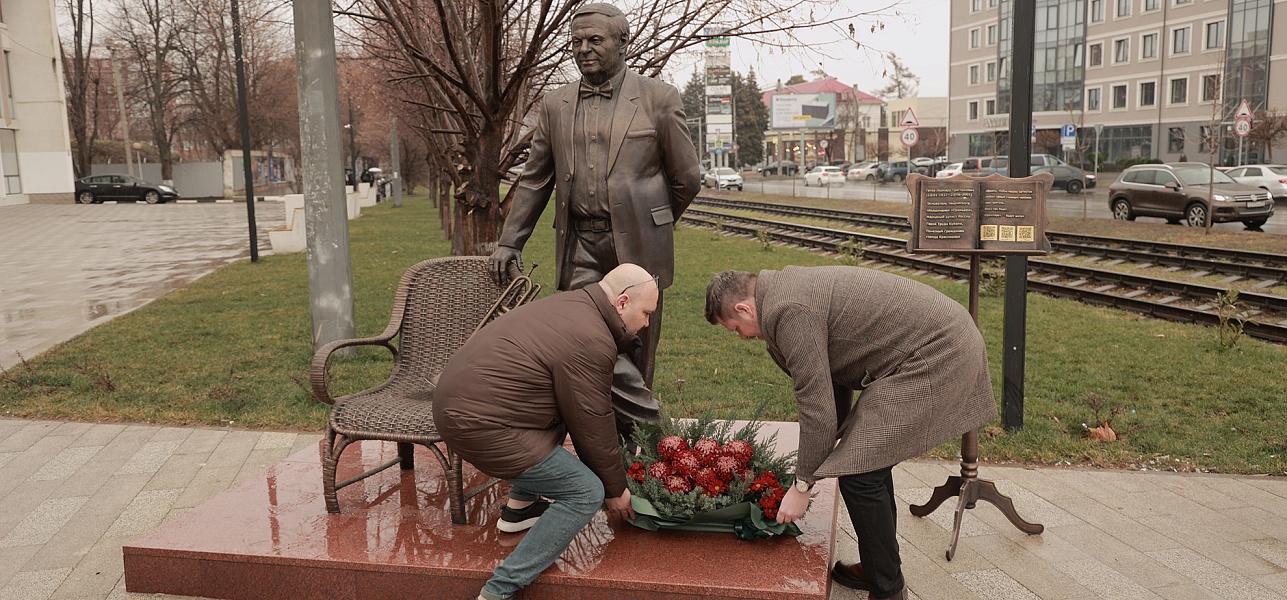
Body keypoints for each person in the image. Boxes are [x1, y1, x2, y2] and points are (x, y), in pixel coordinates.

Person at [703, 266, 999, 600]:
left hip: (938, 353)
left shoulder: (788, 311)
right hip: (930, 345)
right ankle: (879, 569)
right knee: (867, 464)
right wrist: (830, 444)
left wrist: (803, 484)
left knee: (861, 474)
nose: (742, 337)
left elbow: (815, 405)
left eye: (736, 329)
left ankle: (887, 590)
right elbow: (831, 382)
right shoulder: (782, 293)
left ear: (744, 309)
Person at [488, 3, 700, 436]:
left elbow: (687, 178)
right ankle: (638, 433)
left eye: (595, 40)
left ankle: (636, 448)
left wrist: (654, 221)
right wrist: (511, 240)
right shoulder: (556, 104)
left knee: (637, 347)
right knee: (581, 344)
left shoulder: (659, 98)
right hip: (579, 245)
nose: (583, 49)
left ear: (623, 43)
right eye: (576, 42)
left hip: (639, 249)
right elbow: (535, 179)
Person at [434, 263, 658, 600]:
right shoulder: (591, 337)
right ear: (623, 303)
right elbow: (591, 421)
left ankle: (520, 509)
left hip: (465, 407)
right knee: (585, 492)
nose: (647, 323)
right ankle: (498, 591)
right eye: (646, 313)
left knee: (558, 408)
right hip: (481, 424)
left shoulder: (577, 306)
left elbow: (579, 411)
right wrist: (615, 489)